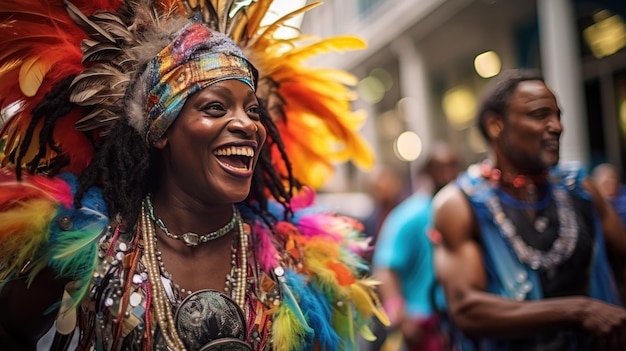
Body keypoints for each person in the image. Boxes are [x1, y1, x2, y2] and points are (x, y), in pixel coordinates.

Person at [0, 1, 387, 350]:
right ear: (161, 131)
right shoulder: (88, 247)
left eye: (253, 111)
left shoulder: (297, 266)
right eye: (216, 107)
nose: (247, 125)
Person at [432, 69, 626, 350]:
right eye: (540, 115)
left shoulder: (580, 188)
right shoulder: (458, 203)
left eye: (558, 115)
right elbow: (466, 308)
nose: (557, 126)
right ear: (495, 125)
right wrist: (580, 311)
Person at [373, 142, 459, 351]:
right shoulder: (409, 215)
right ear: (427, 172)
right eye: (440, 168)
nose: (447, 174)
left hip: (456, 323)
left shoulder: (462, 209)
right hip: (421, 326)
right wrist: (400, 317)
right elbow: (385, 267)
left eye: (452, 167)